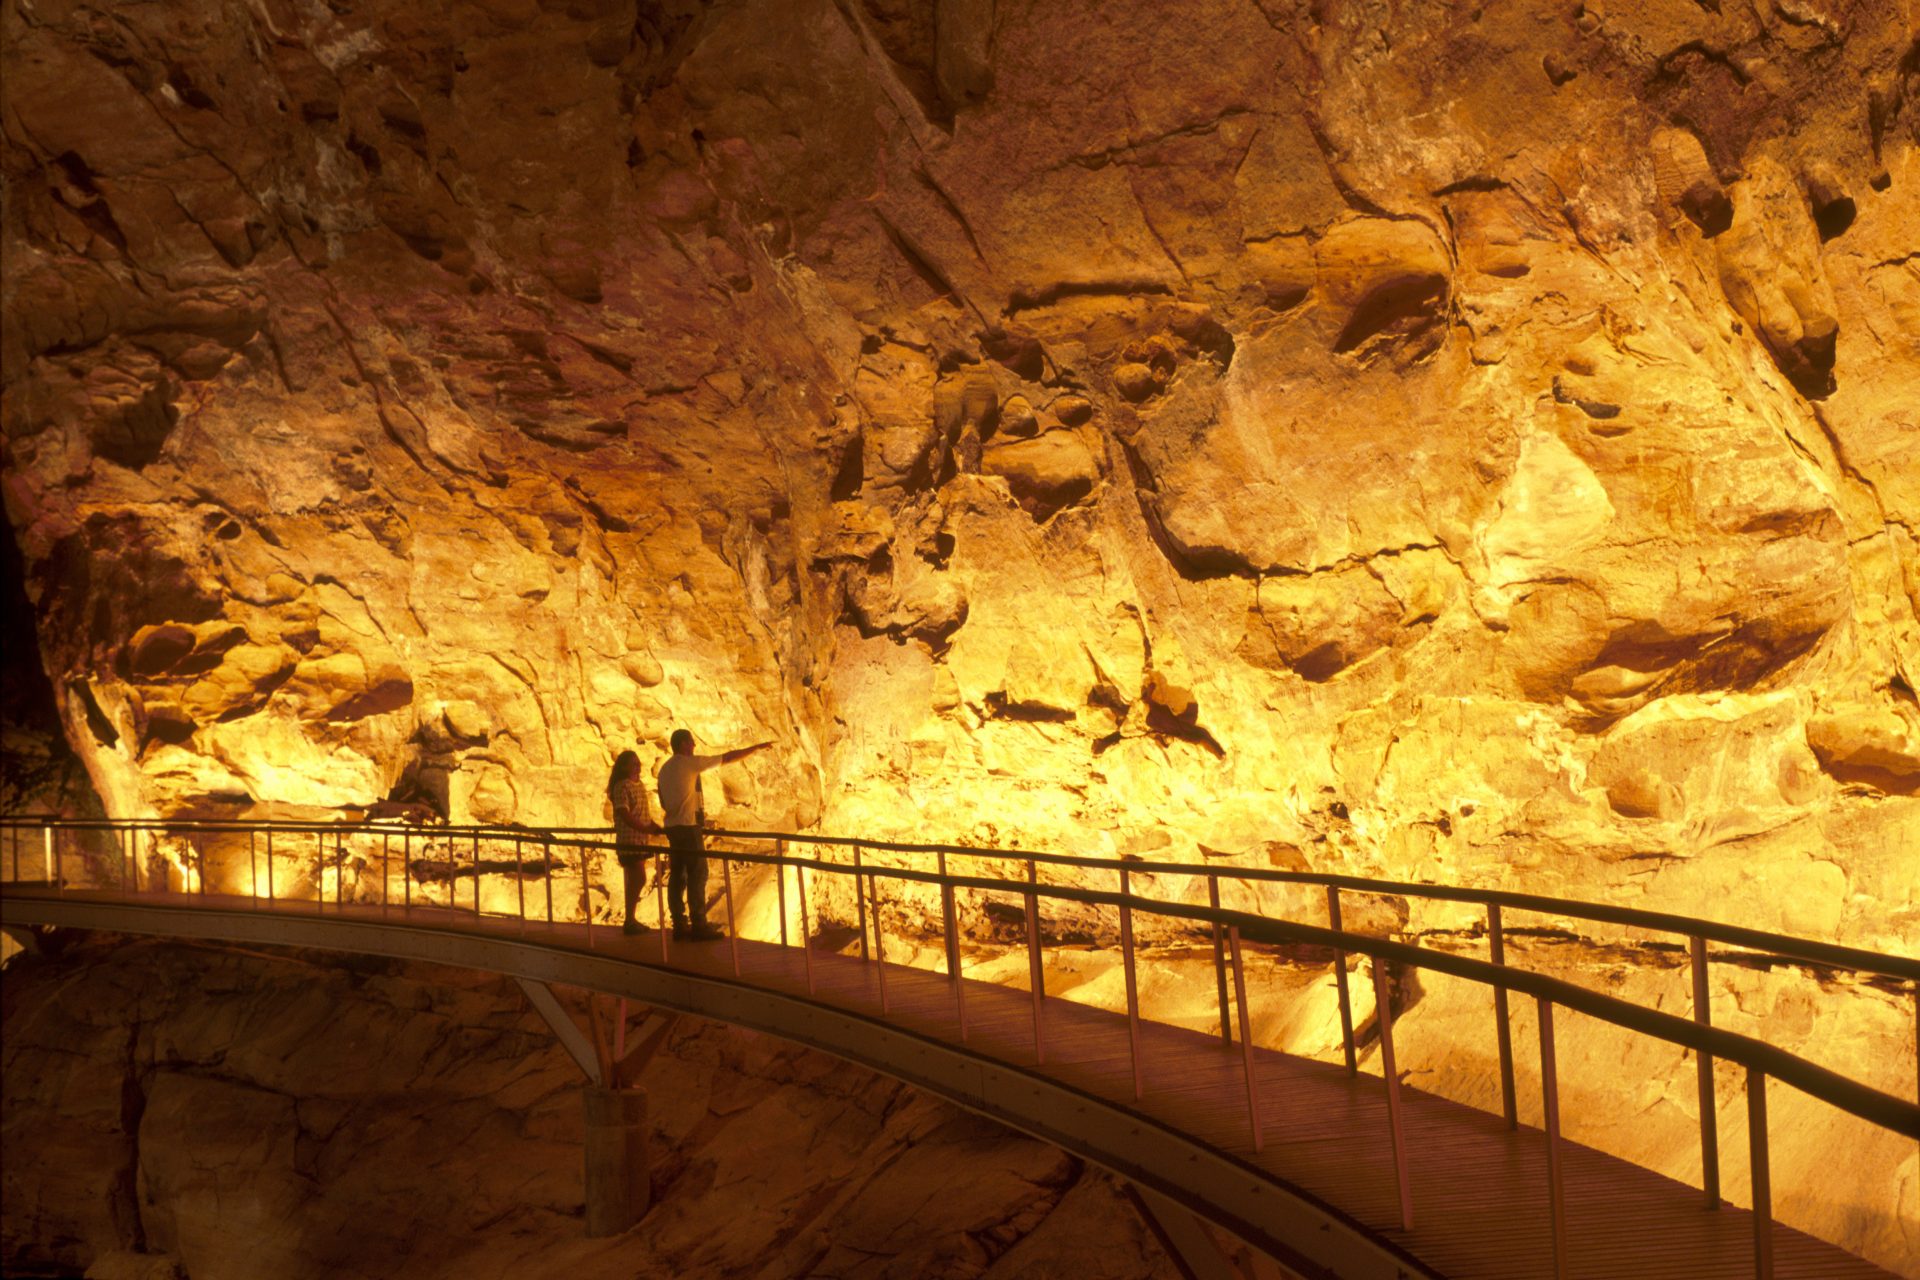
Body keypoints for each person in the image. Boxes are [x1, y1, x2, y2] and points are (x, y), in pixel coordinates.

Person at [656, 729, 771, 940]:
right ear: (682, 744)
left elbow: (663, 802)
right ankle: (699, 924)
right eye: (691, 742)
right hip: (688, 826)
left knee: (677, 875)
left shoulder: (664, 770)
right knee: (697, 873)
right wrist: (754, 749)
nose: (694, 746)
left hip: (672, 827)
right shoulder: (689, 763)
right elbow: (726, 758)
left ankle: (680, 925)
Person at [606, 750, 655, 936]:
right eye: (632, 763)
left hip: (641, 839)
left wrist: (652, 826)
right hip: (630, 839)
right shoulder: (622, 786)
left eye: (638, 762)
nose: (637, 766)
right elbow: (624, 813)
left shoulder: (639, 785)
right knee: (639, 878)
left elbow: (641, 811)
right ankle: (630, 919)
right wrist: (644, 828)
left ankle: (630, 920)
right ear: (624, 767)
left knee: (633, 879)